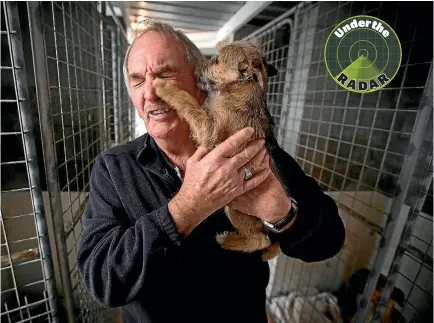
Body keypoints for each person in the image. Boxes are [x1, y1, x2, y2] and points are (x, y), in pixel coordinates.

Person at [77, 19, 345, 323]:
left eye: (165, 73)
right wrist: (186, 208)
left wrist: (281, 212)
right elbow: (102, 281)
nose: (150, 93)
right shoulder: (114, 168)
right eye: (137, 80)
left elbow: (329, 241)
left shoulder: (255, 149)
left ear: (201, 85)